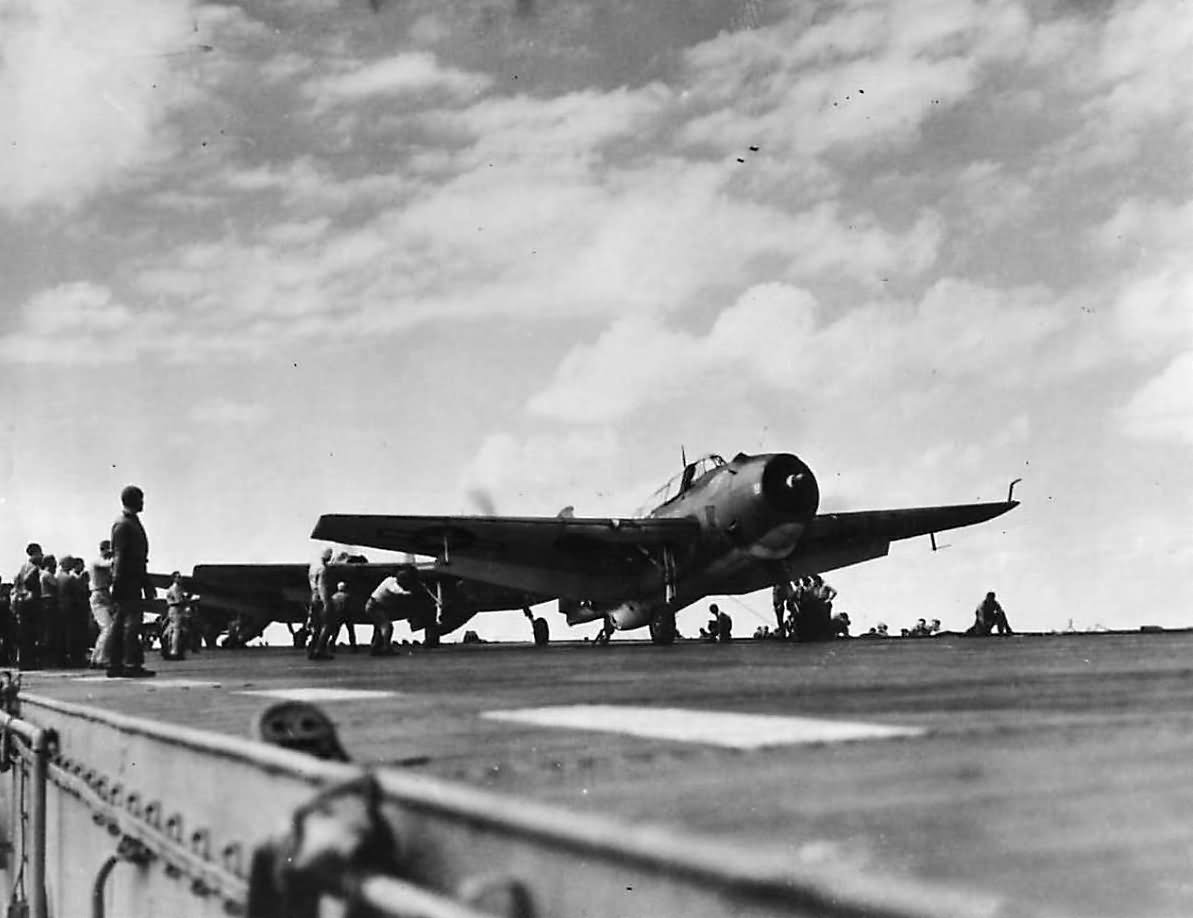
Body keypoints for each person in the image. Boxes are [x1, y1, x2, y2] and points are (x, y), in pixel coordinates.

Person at [106, 485, 156, 678]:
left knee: (121, 623)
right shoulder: (124, 524)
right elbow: (120, 556)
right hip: (128, 580)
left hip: (131, 578)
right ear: (134, 500)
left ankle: (117, 663)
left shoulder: (128, 522)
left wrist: (146, 582)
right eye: (141, 499)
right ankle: (129, 664)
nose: (143, 502)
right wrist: (117, 583)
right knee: (131, 623)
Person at [364, 569, 416, 656]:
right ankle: (386, 648)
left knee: (379, 628)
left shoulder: (389, 579)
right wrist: (408, 593)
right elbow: (396, 590)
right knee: (387, 626)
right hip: (375, 606)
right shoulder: (392, 584)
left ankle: (375, 648)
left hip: (375, 605)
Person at [89, 540, 115, 669]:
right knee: (108, 628)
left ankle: (96, 658)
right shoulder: (97, 561)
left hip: (104, 595)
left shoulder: (103, 565)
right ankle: (102, 659)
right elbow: (108, 564)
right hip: (98, 595)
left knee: (105, 629)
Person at [310, 582, 350, 660]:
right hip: (341, 614)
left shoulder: (334, 596)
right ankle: (352, 645)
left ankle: (323, 646)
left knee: (329, 629)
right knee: (346, 629)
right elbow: (346, 606)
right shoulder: (347, 596)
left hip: (333, 613)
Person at [306, 548, 333, 660]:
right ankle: (320, 650)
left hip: (313, 598)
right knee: (327, 625)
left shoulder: (313, 567)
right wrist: (326, 603)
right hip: (321, 600)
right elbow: (322, 587)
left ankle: (312, 649)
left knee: (316, 627)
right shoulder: (322, 569)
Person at [39, 554, 61, 666]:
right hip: (50, 602)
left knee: (47, 631)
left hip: (45, 602)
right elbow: (57, 586)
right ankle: (51, 659)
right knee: (51, 632)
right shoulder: (48, 575)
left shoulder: (42, 574)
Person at [162, 572, 189, 660]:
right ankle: (174, 651)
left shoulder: (175, 588)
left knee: (171, 630)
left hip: (174, 609)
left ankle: (167, 648)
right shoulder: (176, 588)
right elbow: (179, 600)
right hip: (176, 609)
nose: (180, 578)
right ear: (174, 578)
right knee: (176, 631)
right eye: (178, 577)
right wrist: (187, 601)